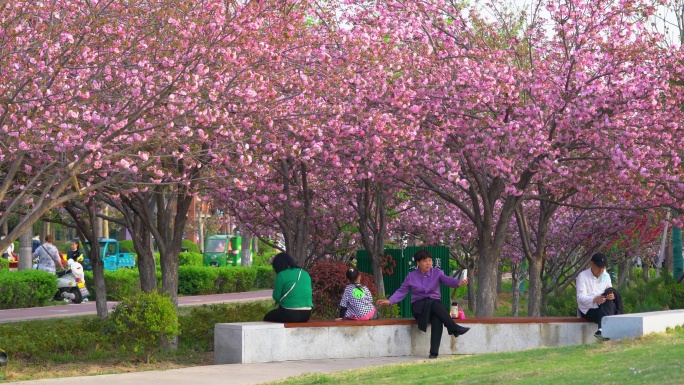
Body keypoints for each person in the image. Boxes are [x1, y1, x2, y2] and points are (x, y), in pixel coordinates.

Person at [377, 250, 470, 359]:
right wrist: (390, 301)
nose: (428, 263)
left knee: (437, 317)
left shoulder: (437, 273)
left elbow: (447, 280)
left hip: (435, 308)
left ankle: (433, 353)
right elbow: (402, 291)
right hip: (419, 307)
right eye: (425, 261)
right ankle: (453, 327)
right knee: (435, 303)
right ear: (418, 263)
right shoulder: (411, 276)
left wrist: (459, 283)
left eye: (430, 260)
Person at [576, 252, 622, 340]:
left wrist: (610, 296)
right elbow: (580, 298)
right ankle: (604, 332)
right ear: (591, 264)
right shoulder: (582, 276)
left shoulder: (606, 275)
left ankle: (602, 331)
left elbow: (609, 288)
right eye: (599, 267)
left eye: (603, 267)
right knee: (611, 311)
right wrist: (594, 299)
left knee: (611, 300)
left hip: (604, 306)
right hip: (588, 309)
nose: (601, 270)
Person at [263, 252, 313, 323]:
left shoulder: (281, 275)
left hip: (290, 314)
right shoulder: (305, 273)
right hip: (306, 314)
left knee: (268, 316)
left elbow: (276, 297)